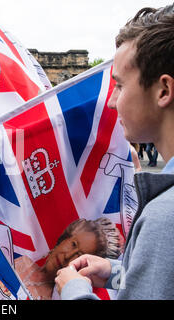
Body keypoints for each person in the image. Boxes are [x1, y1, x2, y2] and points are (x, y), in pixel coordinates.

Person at [55, 4, 174, 300]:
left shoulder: (164, 217)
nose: (111, 101)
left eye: (120, 85)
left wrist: (75, 291)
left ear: (163, 91)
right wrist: (119, 270)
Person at [11, 218, 122, 300]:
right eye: (73, 244)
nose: (68, 256)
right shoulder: (21, 262)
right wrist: (117, 274)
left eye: (79, 255)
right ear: (65, 237)